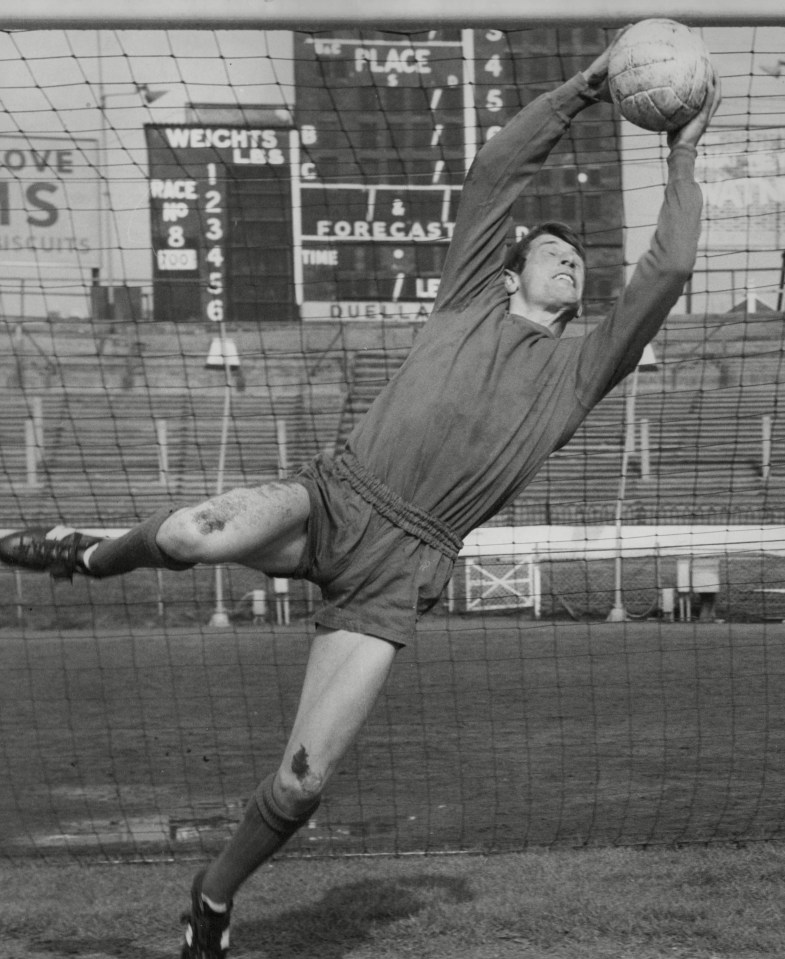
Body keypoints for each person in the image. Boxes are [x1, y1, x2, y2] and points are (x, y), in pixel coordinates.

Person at [0, 34, 720, 959]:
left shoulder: (584, 367)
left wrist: (682, 152)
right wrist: (585, 88)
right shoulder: (466, 298)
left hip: (400, 566)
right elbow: (496, 170)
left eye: (578, 263)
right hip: (336, 496)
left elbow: (663, 269)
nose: (569, 264)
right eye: (551, 253)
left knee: (302, 782)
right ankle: (89, 552)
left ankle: (211, 903)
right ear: (508, 274)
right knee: (191, 530)